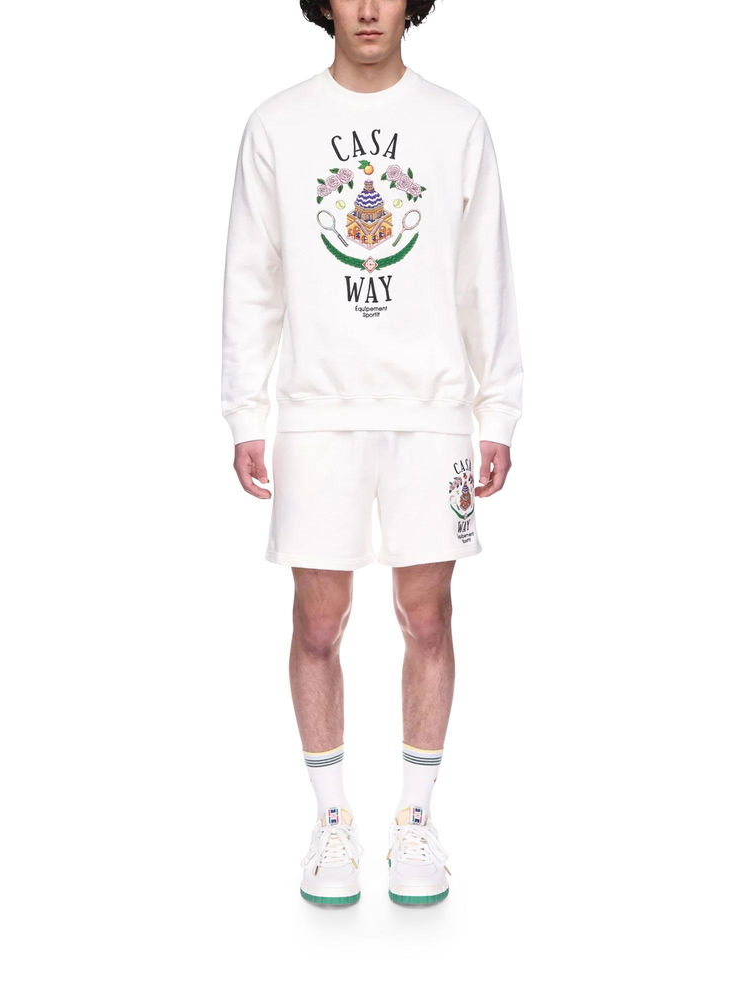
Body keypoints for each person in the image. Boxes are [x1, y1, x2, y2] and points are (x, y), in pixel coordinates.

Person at [221, 0, 523, 906]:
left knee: (427, 618)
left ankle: (417, 819)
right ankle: (332, 823)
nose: (366, 7)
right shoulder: (276, 125)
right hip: (318, 411)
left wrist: (498, 409)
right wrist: (245, 411)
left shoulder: (457, 124)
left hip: (432, 412)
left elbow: (484, 275)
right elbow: (252, 275)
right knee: (318, 623)